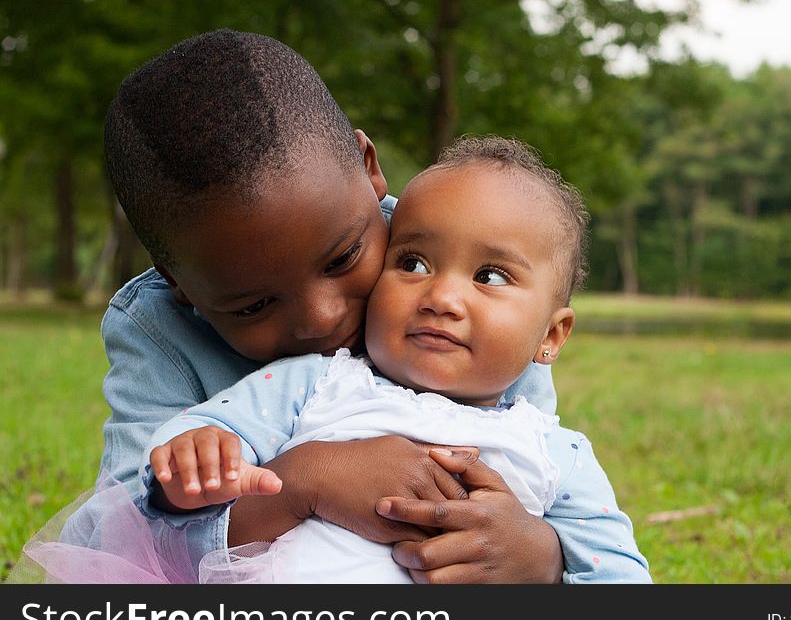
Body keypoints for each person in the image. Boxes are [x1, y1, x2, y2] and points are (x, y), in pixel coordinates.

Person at [15, 29, 565, 584]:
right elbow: (121, 536)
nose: (320, 318)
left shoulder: (456, 280)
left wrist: (540, 553)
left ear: (369, 168)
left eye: (343, 258)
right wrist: (306, 480)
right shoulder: (161, 327)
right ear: (181, 285)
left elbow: (545, 472)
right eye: (253, 306)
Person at [139, 135, 651, 583]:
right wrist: (193, 457)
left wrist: (538, 561)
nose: (442, 297)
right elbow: (183, 458)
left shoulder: (556, 451)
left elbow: (620, 576)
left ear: (552, 336)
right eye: (413, 263)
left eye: (490, 276)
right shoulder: (313, 382)